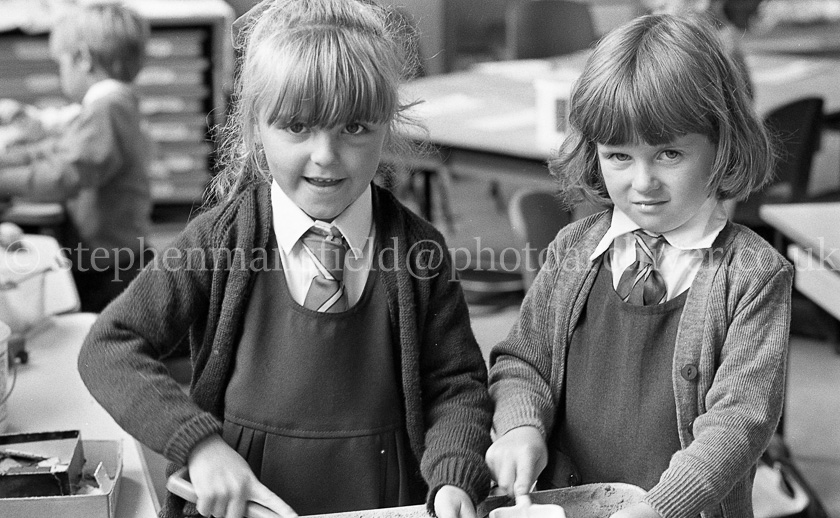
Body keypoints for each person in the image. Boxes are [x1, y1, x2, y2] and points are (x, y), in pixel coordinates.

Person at [78, 1, 492, 518]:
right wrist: (199, 445)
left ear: (389, 125)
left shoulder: (420, 253)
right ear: (255, 127)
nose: (325, 154)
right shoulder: (218, 242)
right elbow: (110, 345)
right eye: (297, 126)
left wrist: (455, 474)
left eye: (356, 127)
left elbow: (457, 387)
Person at [485, 13, 791, 518]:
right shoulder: (571, 250)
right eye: (618, 156)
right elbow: (524, 362)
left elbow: (739, 423)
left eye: (669, 153)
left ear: (721, 144)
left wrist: (660, 508)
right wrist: (520, 426)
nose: (642, 182)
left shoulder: (754, 276)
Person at [0, 2, 152, 313]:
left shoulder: (107, 110)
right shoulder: (106, 107)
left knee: (103, 335)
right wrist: (9, 158)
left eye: (61, 64)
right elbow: (59, 150)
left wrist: (3, 179)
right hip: (106, 255)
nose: (61, 74)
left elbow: (65, 175)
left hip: (110, 261)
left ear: (82, 59)